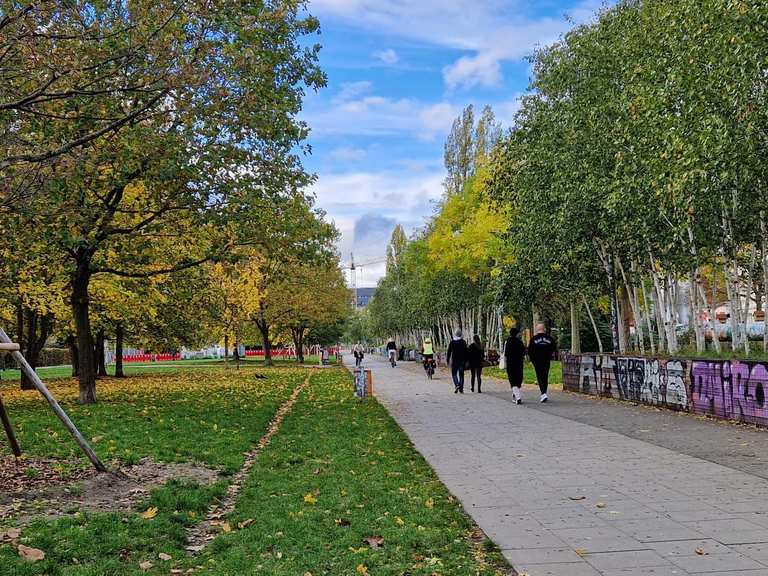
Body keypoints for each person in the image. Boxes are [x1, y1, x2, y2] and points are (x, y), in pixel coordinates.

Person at [528, 323, 557, 403]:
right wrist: (550, 355)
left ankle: (543, 393)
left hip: (537, 361)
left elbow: (530, 351)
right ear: (544, 329)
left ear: (537, 330)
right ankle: (544, 392)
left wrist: (532, 360)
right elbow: (554, 348)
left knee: (539, 376)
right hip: (546, 360)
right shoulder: (549, 339)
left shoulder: (533, 339)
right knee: (545, 376)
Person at [504, 327, 526, 404]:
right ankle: (516, 395)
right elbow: (524, 352)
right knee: (518, 380)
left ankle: (517, 397)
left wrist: (505, 364)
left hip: (510, 364)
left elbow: (505, 354)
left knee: (512, 380)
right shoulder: (520, 342)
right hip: (519, 363)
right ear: (516, 333)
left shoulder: (508, 342)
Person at [446, 329, 468, 394]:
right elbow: (466, 352)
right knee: (461, 375)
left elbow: (449, 351)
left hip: (455, 361)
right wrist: (467, 360)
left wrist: (447, 360)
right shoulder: (463, 342)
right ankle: (461, 389)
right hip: (462, 360)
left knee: (454, 374)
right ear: (461, 334)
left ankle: (457, 385)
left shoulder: (452, 342)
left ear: (455, 334)